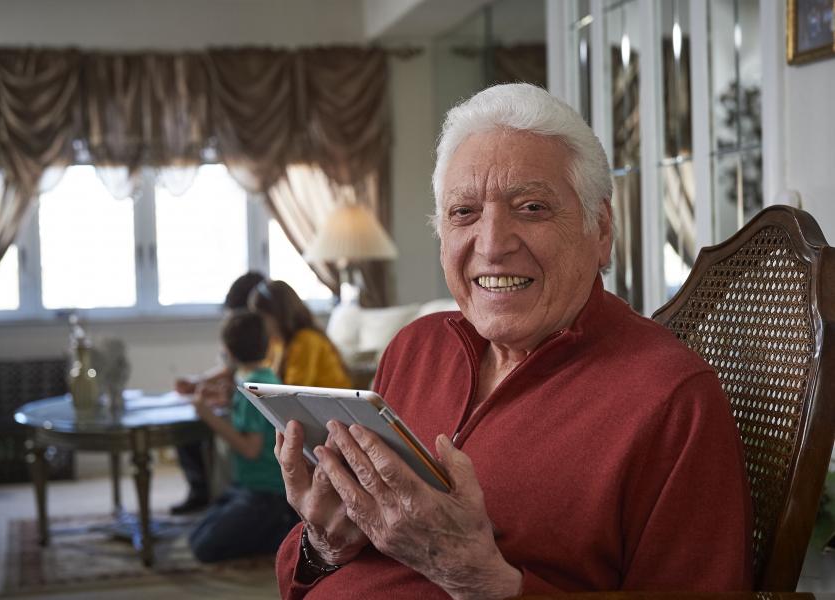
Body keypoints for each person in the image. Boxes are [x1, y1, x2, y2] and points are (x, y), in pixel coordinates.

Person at [273, 84, 753, 598]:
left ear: (600, 229)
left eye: (531, 207)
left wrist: (480, 578)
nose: (493, 244)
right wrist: (324, 545)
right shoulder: (415, 348)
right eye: (464, 212)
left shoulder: (672, 396)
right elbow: (302, 576)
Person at [188, 310, 299, 562]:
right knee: (197, 534)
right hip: (250, 488)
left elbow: (250, 448)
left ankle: (285, 531)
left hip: (266, 495)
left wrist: (208, 415)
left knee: (203, 547)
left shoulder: (252, 389)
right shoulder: (264, 378)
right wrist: (229, 400)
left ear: (227, 351)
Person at [170, 271, 267, 514]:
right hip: (239, 397)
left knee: (197, 424)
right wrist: (200, 383)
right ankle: (203, 492)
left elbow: (251, 447)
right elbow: (233, 368)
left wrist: (213, 406)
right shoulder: (254, 351)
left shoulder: (259, 364)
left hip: (261, 487)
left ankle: (212, 494)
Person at [248, 280, 352, 390]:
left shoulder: (306, 340)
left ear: (278, 315)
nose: (259, 324)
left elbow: (293, 389)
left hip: (331, 400)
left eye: (262, 317)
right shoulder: (278, 342)